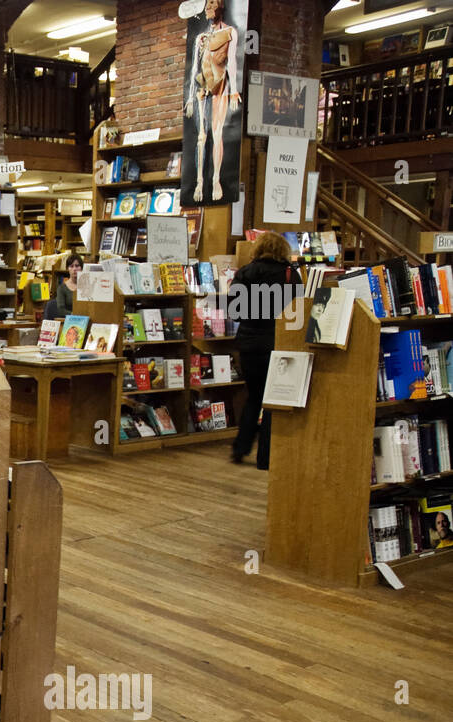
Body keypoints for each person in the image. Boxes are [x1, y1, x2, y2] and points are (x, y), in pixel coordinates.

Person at [230, 231, 296, 469]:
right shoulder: (289, 275)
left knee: (254, 396)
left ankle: (240, 447)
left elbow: (234, 311)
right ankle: (266, 456)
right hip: (277, 343)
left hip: (248, 343)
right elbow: (296, 311)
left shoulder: (244, 273)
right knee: (274, 399)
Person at [186, 0, 241, 203]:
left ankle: (215, 178)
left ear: (220, 6)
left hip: (220, 86)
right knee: (202, 136)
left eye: (212, 4)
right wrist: (191, 97)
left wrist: (233, 90)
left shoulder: (229, 33)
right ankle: (200, 180)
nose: (209, 8)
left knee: (217, 134)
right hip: (202, 86)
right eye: (207, 4)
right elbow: (194, 68)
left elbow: (232, 61)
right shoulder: (201, 38)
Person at [43, 255, 84, 322]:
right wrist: (74, 315)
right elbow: (60, 309)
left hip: (85, 319)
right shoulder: (62, 288)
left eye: (77, 266)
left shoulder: (86, 287)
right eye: (71, 266)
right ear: (68, 269)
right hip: (69, 320)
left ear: (81, 268)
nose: (74, 269)